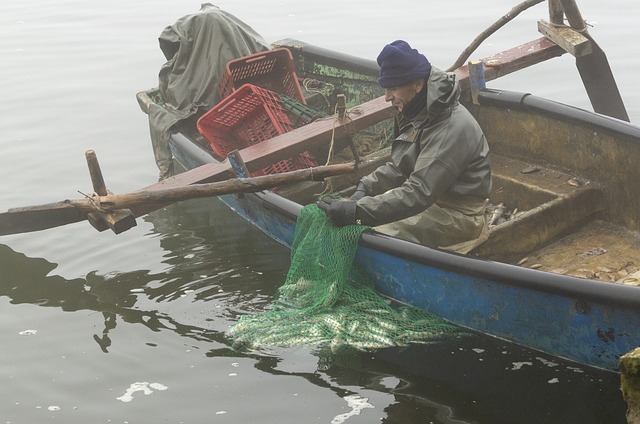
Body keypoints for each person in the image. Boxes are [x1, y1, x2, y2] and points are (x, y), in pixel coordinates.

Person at [317, 40, 492, 253]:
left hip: (459, 217)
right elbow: (400, 168)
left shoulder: (450, 127)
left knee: (374, 231)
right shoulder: (418, 111)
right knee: (363, 221)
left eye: (393, 88)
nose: (387, 97)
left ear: (418, 84)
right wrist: (366, 187)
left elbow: (418, 193)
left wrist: (357, 211)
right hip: (435, 204)